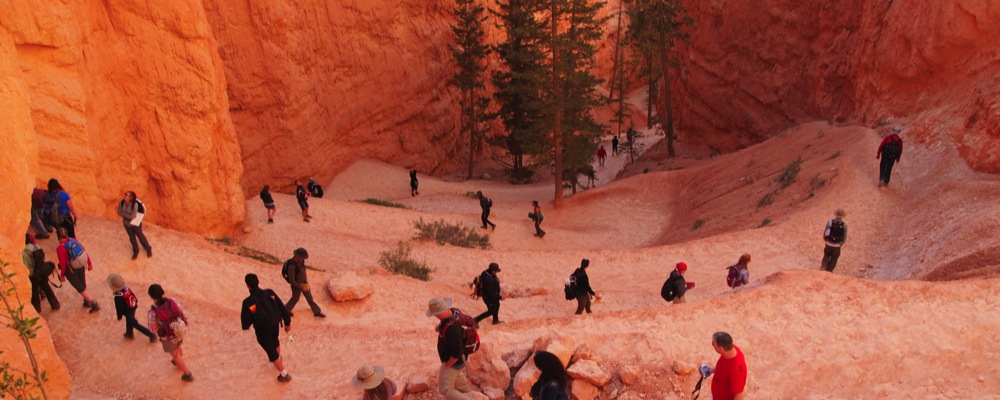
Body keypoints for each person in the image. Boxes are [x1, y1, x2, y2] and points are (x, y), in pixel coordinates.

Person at [241, 273, 293, 383]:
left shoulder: (248, 302)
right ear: (258, 281)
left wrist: (248, 325)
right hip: (275, 325)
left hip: (262, 330)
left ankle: (284, 374)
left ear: (247, 285)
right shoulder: (270, 293)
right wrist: (287, 323)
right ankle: (279, 359)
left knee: (271, 351)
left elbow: (245, 323)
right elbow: (282, 308)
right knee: (275, 341)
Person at [426, 297, 473, 400]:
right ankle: (465, 391)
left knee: (445, 390)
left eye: (435, 314)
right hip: (461, 358)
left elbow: (456, 354)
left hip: (454, 361)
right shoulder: (453, 311)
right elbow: (446, 322)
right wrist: (439, 326)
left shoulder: (452, 330)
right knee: (456, 375)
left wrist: (447, 365)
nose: (435, 316)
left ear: (440, 312)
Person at [147, 284, 193, 382]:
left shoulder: (153, 312)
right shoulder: (173, 301)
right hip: (179, 330)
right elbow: (181, 312)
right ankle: (178, 361)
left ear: (151, 297)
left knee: (175, 355)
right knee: (178, 346)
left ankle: (187, 374)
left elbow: (153, 329)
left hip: (167, 337)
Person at [55, 228, 99, 313]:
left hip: (70, 269)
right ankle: (86, 301)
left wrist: (62, 275)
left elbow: (63, 263)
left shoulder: (60, 248)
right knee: (82, 282)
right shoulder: (73, 240)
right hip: (81, 265)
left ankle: (93, 303)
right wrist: (89, 263)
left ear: (58, 237)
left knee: (79, 287)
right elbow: (84, 251)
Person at [107, 273, 156, 342]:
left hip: (127, 311)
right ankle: (129, 333)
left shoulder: (118, 297)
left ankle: (150, 334)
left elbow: (119, 308)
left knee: (134, 323)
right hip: (133, 308)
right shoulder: (126, 288)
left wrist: (119, 316)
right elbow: (133, 296)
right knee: (129, 321)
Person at [703, 331, 748, 400]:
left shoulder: (736, 370)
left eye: (713, 343)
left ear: (721, 349)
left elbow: (739, 395)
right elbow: (723, 366)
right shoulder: (729, 351)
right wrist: (711, 370)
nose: (712, 345)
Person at [283, 248, 326, 318]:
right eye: (302, 258)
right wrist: (300, 287)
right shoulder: (291, 266)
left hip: (304, 282)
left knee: (309, 298)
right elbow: (292, 281)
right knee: (295, 298)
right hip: (296, 286)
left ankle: (317, 312)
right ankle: (285, 311)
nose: (303, 259)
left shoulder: (301, 262)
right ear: (297, 256)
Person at [22, 234, 59, 313]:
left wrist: (30, 275)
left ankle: (37, 309)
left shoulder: (24, 253)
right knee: (46, 287)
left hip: (33, 275)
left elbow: (27, 265)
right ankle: (55, 304)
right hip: (42, 271)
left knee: (34, 292)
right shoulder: (36, 246)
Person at [117, 191, 153, 260]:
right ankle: (136, 251)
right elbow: (119, 213)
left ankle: (148, 249)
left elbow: (132, 217)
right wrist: (127, 216)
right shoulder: (121, 202)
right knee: (132, 238)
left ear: (130, 198)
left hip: (136, 224)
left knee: (140, 236)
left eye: (126, 194)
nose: (124, 195)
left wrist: (124, 214)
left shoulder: (135, 205)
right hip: (127, 224)